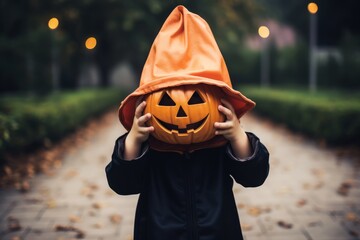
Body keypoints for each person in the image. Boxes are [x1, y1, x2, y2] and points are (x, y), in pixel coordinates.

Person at [106, 5, 269, 240]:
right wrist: (133, 139)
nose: (181, 114)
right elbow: (122, 184)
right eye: (165, 100)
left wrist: (237, 136)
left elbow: (255, 176)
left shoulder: (220, 144)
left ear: (217, 100)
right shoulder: (150, 148)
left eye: (195, 98)